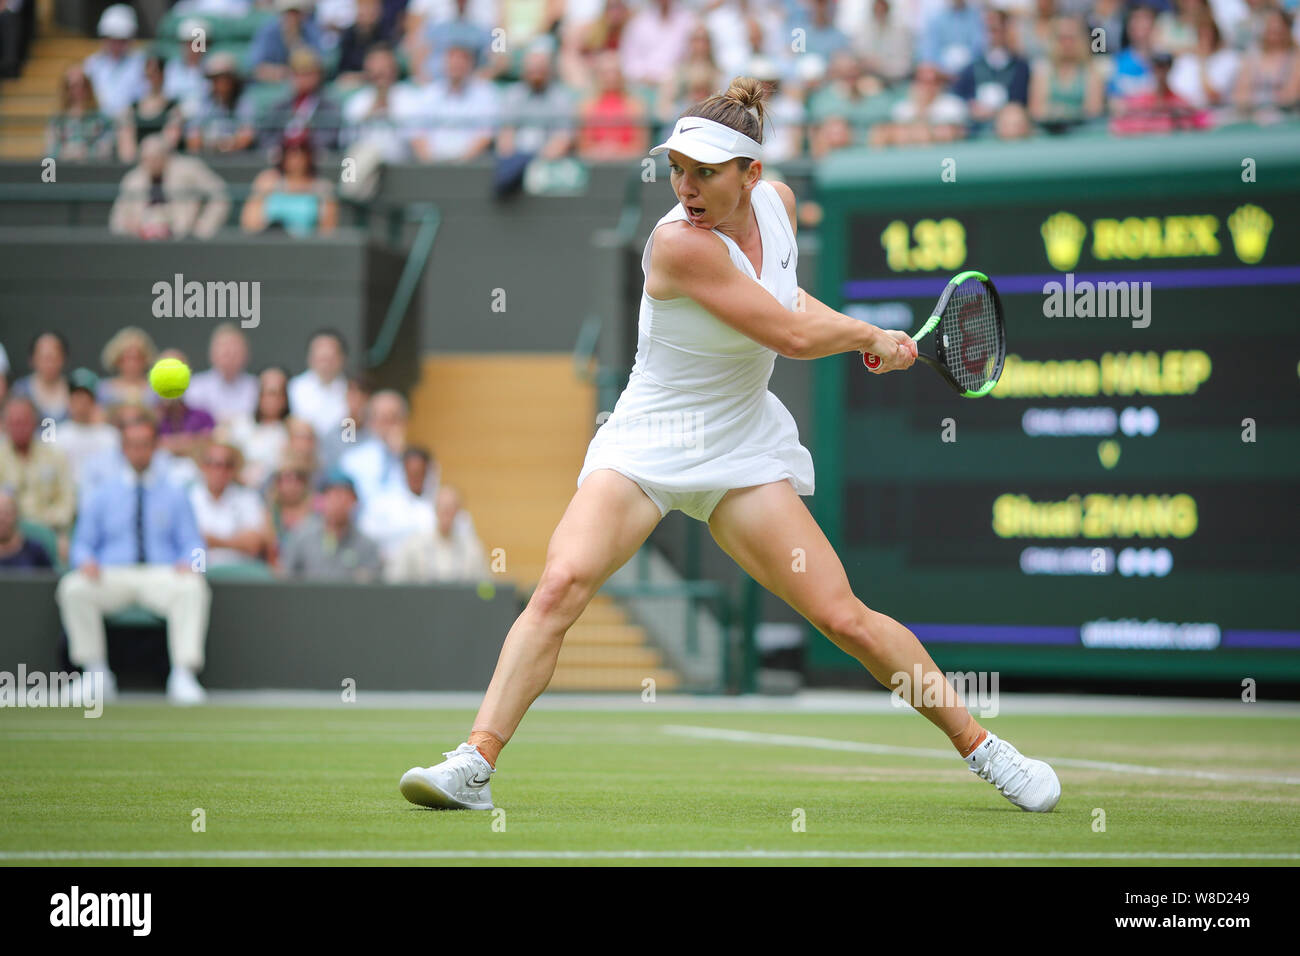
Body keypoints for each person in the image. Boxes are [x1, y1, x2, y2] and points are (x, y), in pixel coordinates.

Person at [398, 76, 1062, 815]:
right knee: (560, 585)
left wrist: (861, 335)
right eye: (676, 169)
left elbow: (790, 300)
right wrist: (869, 335)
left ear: (752, 174)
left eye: (705, 172)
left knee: (844, 618)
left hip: (742, 447)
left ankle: (987, 749)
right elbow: (789, 334)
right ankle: (475, 763)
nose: (685, 186)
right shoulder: (678, 246)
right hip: (648, 444)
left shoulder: (776, 208)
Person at [55, 415, 211, 704]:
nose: (139, 451)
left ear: (155, 447)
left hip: (161, 574)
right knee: (73, 587)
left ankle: (183, 674)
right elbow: (82, 544)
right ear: (123, 449)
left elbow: (195, 544)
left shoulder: (176, 493)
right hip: (111, 575)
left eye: (145, 444)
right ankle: (95, 673)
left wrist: (193, 564)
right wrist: (86, 561)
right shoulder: (101, 495)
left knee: (193, 587)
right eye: (133, 445)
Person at [108, 134, 231, 240]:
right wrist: (129, 229)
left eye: (155, 158)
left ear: (165, 156)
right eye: (146, 159)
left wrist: (202, 228)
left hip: (184, 240)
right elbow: (117, 220)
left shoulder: (189, 168)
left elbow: (220, 194)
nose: (150, 163)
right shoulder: (133, 179)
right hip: (142, 244)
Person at [278, 470, 382, 581]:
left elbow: (372, 583)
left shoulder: (367, 545)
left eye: (344, 496)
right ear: (322, 500)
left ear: (354, 501)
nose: (338, 502)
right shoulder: (301, 537)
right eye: (333, 495)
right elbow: (286, 577)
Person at [0, 395, 76, 541]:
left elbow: (68, 501)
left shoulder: (55, 457)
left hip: (50, 532)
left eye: (24, 422)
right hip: (5, 536)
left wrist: (45, 524)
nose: (19, 427)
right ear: (5, 425)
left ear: (35, 423)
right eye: (14, 422)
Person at [189, 439, 273, 567]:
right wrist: (236, 542)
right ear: (203, 466)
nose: (220, 470)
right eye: (214, 464)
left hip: (239, 573)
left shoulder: (248, 498)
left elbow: (254, 544)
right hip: (199, 570)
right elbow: (186, 543)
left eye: (227, 465)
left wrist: (212, 541)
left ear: (234, 469)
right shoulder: (189, 498)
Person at [241, 132, 339, 237]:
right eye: (290, 151)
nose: (295, 158)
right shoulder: (266, 180)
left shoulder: (323, 187)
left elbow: (327, 232)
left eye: (301, 151)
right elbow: (249, 225)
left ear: (309, 156)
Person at [385, 483, 486, 582]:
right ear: (435, 509)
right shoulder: (415, 545)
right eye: (443, 508)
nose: (446, 513)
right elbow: (395, 579)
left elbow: (485, 585)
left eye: (451, 508)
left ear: (458, 511)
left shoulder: (472, 549)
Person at [54, 369, 119, 488]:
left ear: (94, 400)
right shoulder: (58, 436)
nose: (81, 402)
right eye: (76, 396)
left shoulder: (110, 436)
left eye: (85, 396)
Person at [228, 366, 291, 489]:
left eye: (277, 394)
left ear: (285, 398)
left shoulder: (292, 432)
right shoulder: (239, 424)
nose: (271, 399)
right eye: (267, 393)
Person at [82, 4, 147, 121]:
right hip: (97, 124)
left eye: (121, 40)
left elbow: (144, 98)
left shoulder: (141, 63)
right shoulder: (92, 63)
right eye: (112, 39)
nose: (116, 45)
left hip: (131, 123)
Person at [115, 54, 182, 163]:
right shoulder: (132, 108)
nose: (151, 78)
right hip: (137, 165)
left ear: (163, 75)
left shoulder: (173, 108)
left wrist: (152, 155)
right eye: (148, 74)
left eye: (155, 73)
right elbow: (126, 147)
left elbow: (170, 141)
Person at [186, 324, 258, 426]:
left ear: (246, 353)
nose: (230, 352)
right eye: (224, 347)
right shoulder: (195, 387)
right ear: (212, 352)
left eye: (235, 347)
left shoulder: (257, 387)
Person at [184, 53, 256, 154]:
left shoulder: (243, 102)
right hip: (207, 158)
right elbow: (192, 138)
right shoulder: (204, 102)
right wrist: (209, 145)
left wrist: (228, 145)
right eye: (214, 79)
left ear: (232, 80)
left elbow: (247, 135)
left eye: (223, 78)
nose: (219, 83)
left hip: (236, 160)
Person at [287, 329, 349, 438]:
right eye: (321, 357)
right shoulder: (294, 387)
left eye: (330, 357)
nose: (325, 363)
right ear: (310, 357)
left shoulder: (352, 390)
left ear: (342, 358)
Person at [46, 64, 114, 160]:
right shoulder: (58, 120)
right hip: (64, 168)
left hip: (92, 169)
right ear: (66, 89)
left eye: (82, 85)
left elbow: (107, 147)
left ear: (88, 87)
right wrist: (67, 152)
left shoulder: (101, 118)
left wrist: (86, 152)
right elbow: (51, 151)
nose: (78, 90)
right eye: (72, 86)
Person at [12, 331, 70, 423]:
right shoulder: (20, 390)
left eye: (54, 357)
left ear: (63, 358)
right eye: (44, 358)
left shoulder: (76, 389)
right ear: (32, 359)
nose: (49, 364)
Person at [97, 326, 157, 409]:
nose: (132, 364)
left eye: (137, 358)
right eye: (127, 358)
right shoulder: (103, 389)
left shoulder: (154, 391)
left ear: (145, 359)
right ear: (117, 359)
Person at [0, 488, 54, 570]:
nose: (2, 519)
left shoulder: (35, 551)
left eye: (7, 513)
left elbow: (50, 579)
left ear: (17, 515)